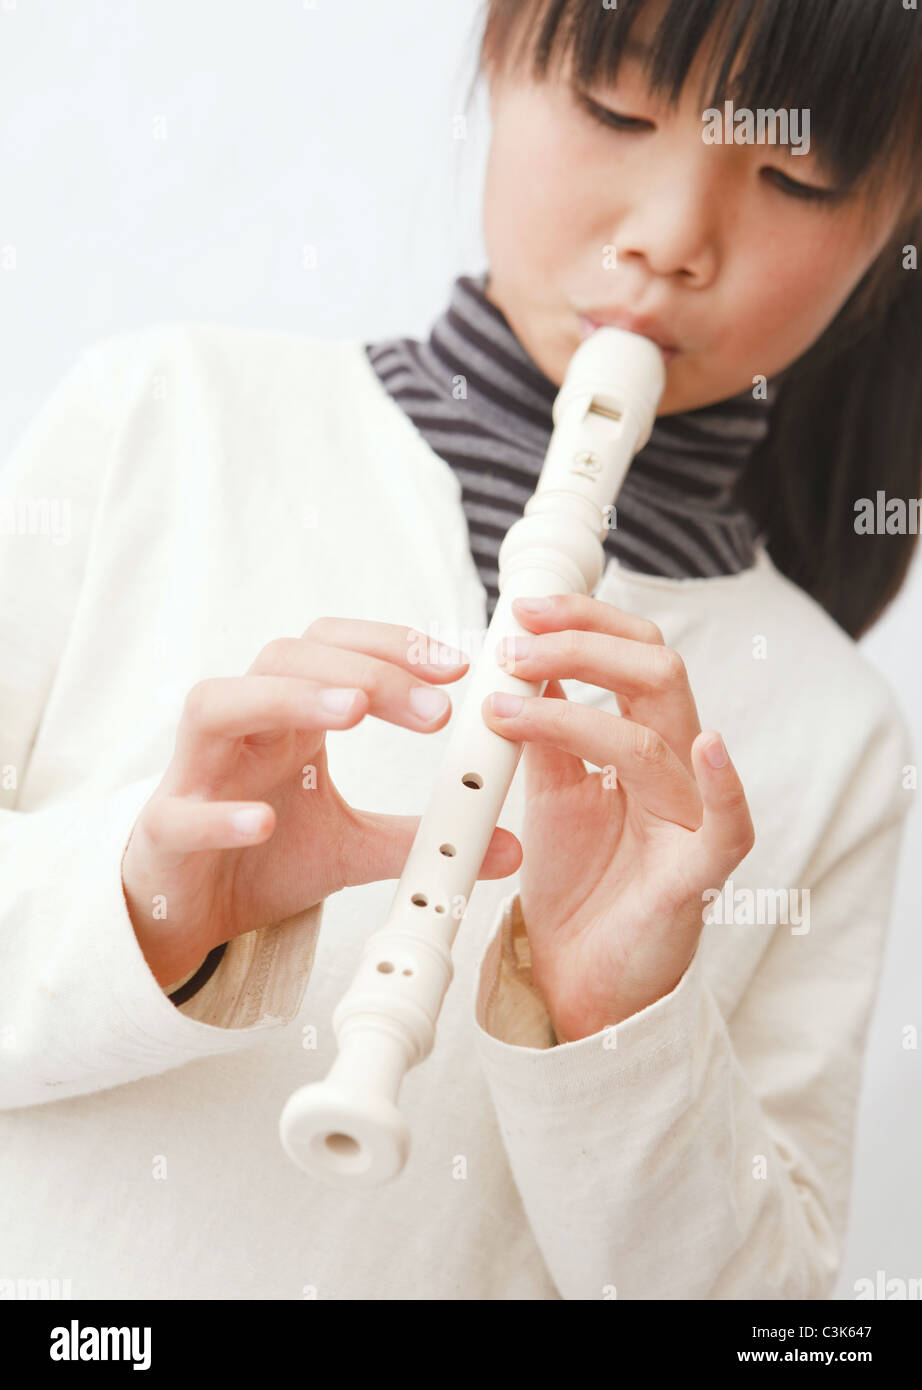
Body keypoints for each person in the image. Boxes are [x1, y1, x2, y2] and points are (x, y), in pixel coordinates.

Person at [1, 0, 919, 1300]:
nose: (668, 240)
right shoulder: (165, 415)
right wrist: (149, 902)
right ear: (499, 56)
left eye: (792, 175)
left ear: (892, 230)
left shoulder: (832, 728)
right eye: (614, 112)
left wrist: (618, 1028)